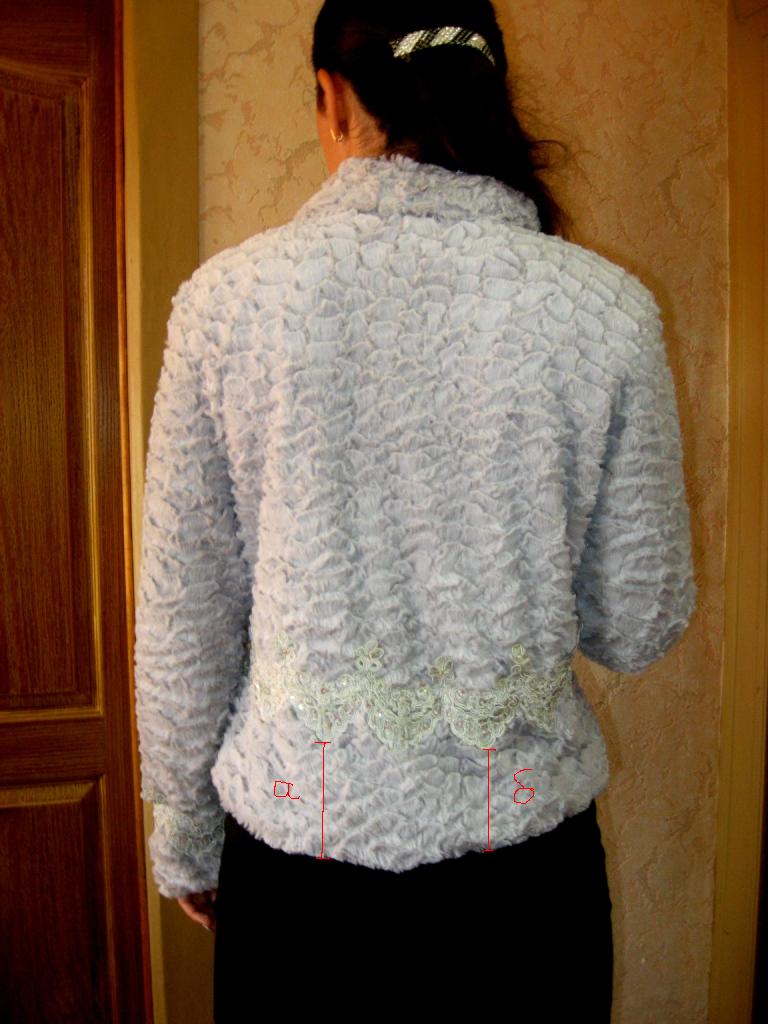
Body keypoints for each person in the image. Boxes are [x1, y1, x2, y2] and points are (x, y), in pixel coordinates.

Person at [132, 1, 697, 1019]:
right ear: (488, 93)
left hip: (299, 876)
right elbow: (638, 621)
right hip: (523, 891)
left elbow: (184, 617)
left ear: (331, 97)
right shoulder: (606, 310)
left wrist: (184, 835)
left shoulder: (227, 305)